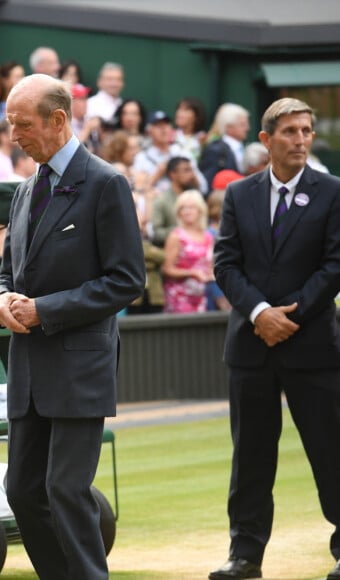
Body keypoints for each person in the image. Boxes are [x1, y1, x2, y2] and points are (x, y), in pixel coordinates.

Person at [0, 74, 145, 579]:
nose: (14, 134)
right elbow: (6, 274)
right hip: (29, 370)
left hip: (80, 367)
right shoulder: (24, 190)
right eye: (10, 124)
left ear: (58, 120)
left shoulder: (106, 183)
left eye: (22, 124)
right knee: (20, 491)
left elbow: (127, 281)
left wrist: (45, 310)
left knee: (65, 489)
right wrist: (1, 300)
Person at [210, 97, 340, 580]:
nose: (301, 139)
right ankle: (245, 557)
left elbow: (335, 265)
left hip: (313, 348)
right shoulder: (239, 195)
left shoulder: (332, 192)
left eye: (306, 130)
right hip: (251, 346)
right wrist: (261, 314)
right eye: (290, 131)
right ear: (265, 140)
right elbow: (225, 264)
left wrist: (290, 316)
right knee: (250, 459)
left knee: (332, 451)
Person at [162, 190, 213, 313]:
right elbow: (167, 269)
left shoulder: (208, 236)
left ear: (200, 210)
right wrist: (192, 273)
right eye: (183, 208)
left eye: (191, 207)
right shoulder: (176, 236)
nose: (187, 211)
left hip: (203, 297)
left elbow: (210, 265)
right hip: (179, 297)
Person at [199, 103, 250, 190]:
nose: (248, 128)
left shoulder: (243, 148)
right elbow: (208, 183)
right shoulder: (215, 150)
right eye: (242, 125)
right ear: (229, 127)